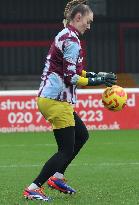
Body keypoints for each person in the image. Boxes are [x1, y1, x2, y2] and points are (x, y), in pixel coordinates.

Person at [23, 0, 117, 202]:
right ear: (78, 17)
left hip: (53, 99)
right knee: (65, 149)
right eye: (88, 21)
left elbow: (75, 70)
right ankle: (33, 187)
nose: (89, 26)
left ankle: (57, 178)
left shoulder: (66, 35)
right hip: (56, 100)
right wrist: (96, 81)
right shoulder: (71, 40)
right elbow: (70, 77)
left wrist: (96, 75)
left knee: (81, 136)